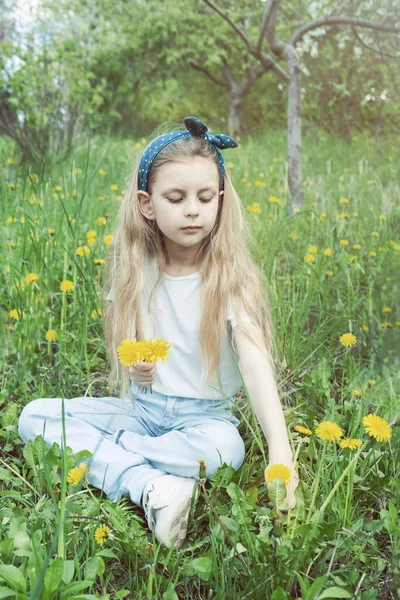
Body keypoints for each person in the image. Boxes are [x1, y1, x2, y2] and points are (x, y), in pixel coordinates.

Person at [18, 116, 298, 550]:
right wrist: (135, 365)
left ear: (220, 201)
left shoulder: (230, 278)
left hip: (204, 420)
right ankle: (150, 483)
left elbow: (256, 364)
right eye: (176, 197)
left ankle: (115, 460)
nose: (192, 209)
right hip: (142, 412)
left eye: (205, 198)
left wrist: (281, 452)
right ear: (147, 204)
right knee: (33, 416)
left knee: (228, 451)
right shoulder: (136, 270)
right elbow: (126, 345)